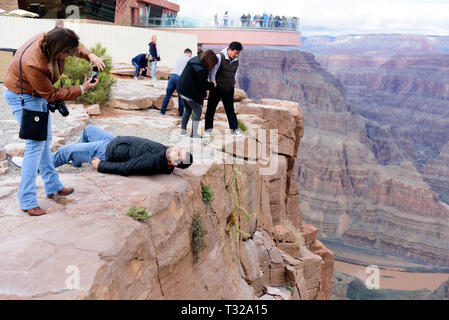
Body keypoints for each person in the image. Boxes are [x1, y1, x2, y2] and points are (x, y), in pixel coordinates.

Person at [2, 27, 104, 216]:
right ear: (59, 51)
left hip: (37, 92)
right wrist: (81, 88)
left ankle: (53, 186)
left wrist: (90, 55)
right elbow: (51, 94)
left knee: (45, 140)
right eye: (68, 53)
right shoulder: (34, 62)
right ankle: (27, 200)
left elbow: (73, 46)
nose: (71, 55)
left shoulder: (52, 39)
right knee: (35, 144)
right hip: (21, 96)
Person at [47, 125, 193, 176]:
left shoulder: (153, 161)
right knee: (88, 130)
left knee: (64, 151)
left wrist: (101, 166)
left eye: (178, 153)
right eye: (179, 149)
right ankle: (77, 161)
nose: (175, 149)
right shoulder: (167, 154)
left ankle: (40, 167)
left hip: (106, 151)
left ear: (174, 164)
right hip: (113, 141)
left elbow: (127, 168)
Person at [205, 42, 243, 137]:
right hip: (217, 88)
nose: (237, 55)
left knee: (230, 110)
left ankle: (235, 130)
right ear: (229, 50)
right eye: (235, 53)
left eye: (238, 53)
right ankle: (207, 131)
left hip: (229, 89)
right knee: (211, 109)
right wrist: (213, 81)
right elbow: (213, 71)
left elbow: (235, 73)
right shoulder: (219, 56)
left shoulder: (236, 60)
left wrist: (234, 82)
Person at [177, 50, 218, 138]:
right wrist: (212, 85)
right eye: (213, 64)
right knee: (197, 111)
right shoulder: (201, 69)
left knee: (187, 110)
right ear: (210, 61)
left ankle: (183, 131)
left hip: (181, 88)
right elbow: (203, 84)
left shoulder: (195, 59)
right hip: (188, 92)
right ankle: (194, 134)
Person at [160, 48, 193, 117]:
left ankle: (162, 112)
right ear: (189, 53)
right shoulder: (189, 60)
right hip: (179, 78)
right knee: (181, 98)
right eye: (191, 55)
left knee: (167, 95)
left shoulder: (178, 58)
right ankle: (181, 115)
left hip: (172, 76)